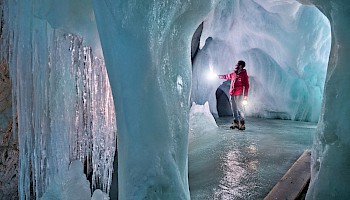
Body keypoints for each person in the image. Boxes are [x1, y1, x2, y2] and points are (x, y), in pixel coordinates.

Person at [218, 60, 250, 130]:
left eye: (238, 64)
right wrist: (218, 76)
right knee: (234, 109)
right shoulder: (233, 74)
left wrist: (245, 96)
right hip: (232, 94)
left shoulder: (243, 75)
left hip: (239, 95)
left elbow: (246, 85)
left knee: (240, 109)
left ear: (241, 66)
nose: (236, 65)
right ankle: (236, 123)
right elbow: (227, 76)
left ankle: (242, 124)